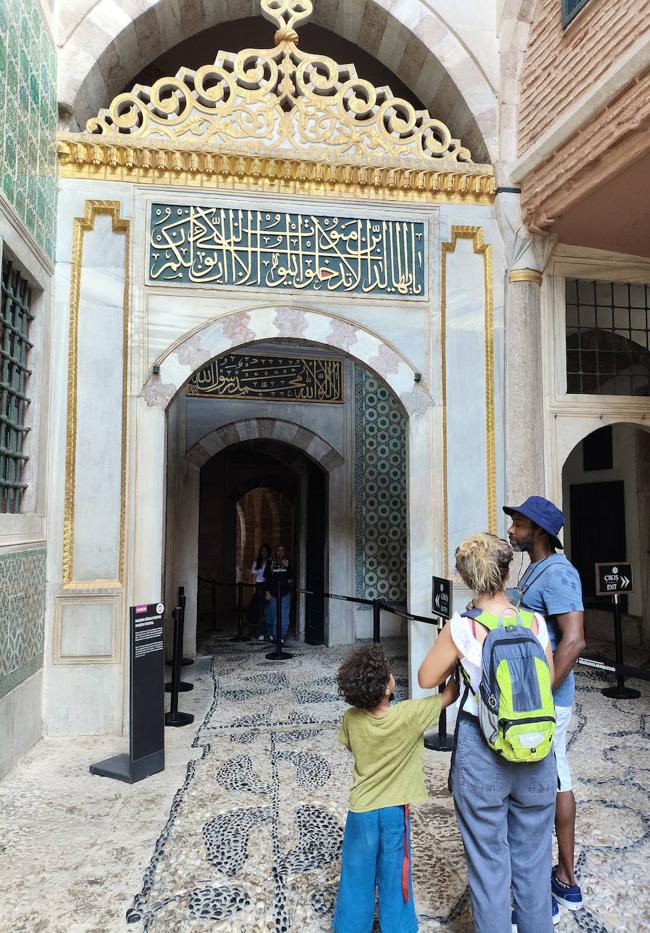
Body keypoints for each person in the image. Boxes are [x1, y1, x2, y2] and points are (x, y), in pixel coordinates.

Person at [418, 533, 558, 933]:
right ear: (506, 570)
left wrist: (455, 665)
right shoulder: (532, 621)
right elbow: (544, 682)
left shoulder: (463, 627)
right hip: (535, 752)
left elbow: (426, 676)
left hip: (482, 753)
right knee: (533, 864)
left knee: (488, 864)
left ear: (465, 577)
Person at [334, 644, 457, 933]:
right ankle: (399, 927)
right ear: (387, 687)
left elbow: (352, 747)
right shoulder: (409, 715)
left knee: (355, 875)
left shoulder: (351, 718)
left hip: (361, 810)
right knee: (396, 874)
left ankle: (350, 927)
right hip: (393, 813)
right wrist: (452, 665)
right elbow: (449, 695)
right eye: (389, 673)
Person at [504, 496, 585, 913]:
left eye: (517, 524)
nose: (511, 530)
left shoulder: (560, 573)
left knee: (547, 784)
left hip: (548, 702)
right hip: (537, 699)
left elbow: (574, 641)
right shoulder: (535, 568)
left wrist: (542, 698)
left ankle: (554, 886)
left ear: (538, 530)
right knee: (551, 779)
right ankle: (563, 880)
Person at [264, 544, 293, 642]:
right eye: (278, 550)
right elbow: (267, 578)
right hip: (272, 592)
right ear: (275, 552)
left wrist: (287, 567)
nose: (280, 552)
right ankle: (271, 633)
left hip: (285, 593)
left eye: (282, 550)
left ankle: (280, 637)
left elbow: (291, 578)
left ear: (285, 552)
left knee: (284, 616)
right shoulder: (270, 563)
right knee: (271, 615)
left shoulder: (288, 562)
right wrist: (267, 591)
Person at [248, 543, 271, 641]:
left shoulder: (270, 563)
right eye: (262, 551)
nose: (264, 553)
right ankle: (260, 632)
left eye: (266, 551)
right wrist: (254, 590)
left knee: (267, 610)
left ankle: (265, 631)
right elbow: (253, 578)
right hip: (259, 587)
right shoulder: (256, 563)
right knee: (258, 610)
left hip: (267, 586)